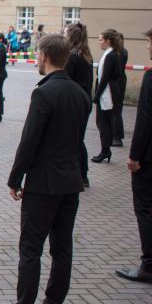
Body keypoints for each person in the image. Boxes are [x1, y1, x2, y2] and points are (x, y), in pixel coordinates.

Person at [0, 35, 90, 304]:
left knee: (30, 249)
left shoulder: (44, 93)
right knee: (62, 248)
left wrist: (15, 178)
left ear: (45, 56)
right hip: (70, 181)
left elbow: (29, 140)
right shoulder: (80, 94)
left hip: (44, 183)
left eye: (37, 55)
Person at [116, 28, 152, 284]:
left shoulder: (150, 78)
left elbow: (145, 121)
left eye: (150, 42)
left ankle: (148, 264)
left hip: (149, 158)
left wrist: (134, 155)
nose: (148, 47)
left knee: (145, 208)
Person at [64, 23, 94, 187]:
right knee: (77, 138)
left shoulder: (73, 56)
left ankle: (81, 174)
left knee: (74, 139)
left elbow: (67, 81)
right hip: (84, 100)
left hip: (76, 102)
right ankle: (82, 174)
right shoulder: (84, 54)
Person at [92, 29, 123, 163]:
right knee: (101, 122)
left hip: (108, 93)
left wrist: (96, 96)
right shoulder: (109, 54)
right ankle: (105, 149)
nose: (99, 42)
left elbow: (105, 78)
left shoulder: (110, 55)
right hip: (107, 91)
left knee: (103, 122)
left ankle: (105, 150)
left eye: (100, 40)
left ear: (108, 41)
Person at [113, 34, 129, 147]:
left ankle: (117, 137)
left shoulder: (117, 53)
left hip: (117, 82)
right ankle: (117, 136)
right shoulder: (124, 51)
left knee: (116, 111)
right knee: (118, 110)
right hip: (122, 80)